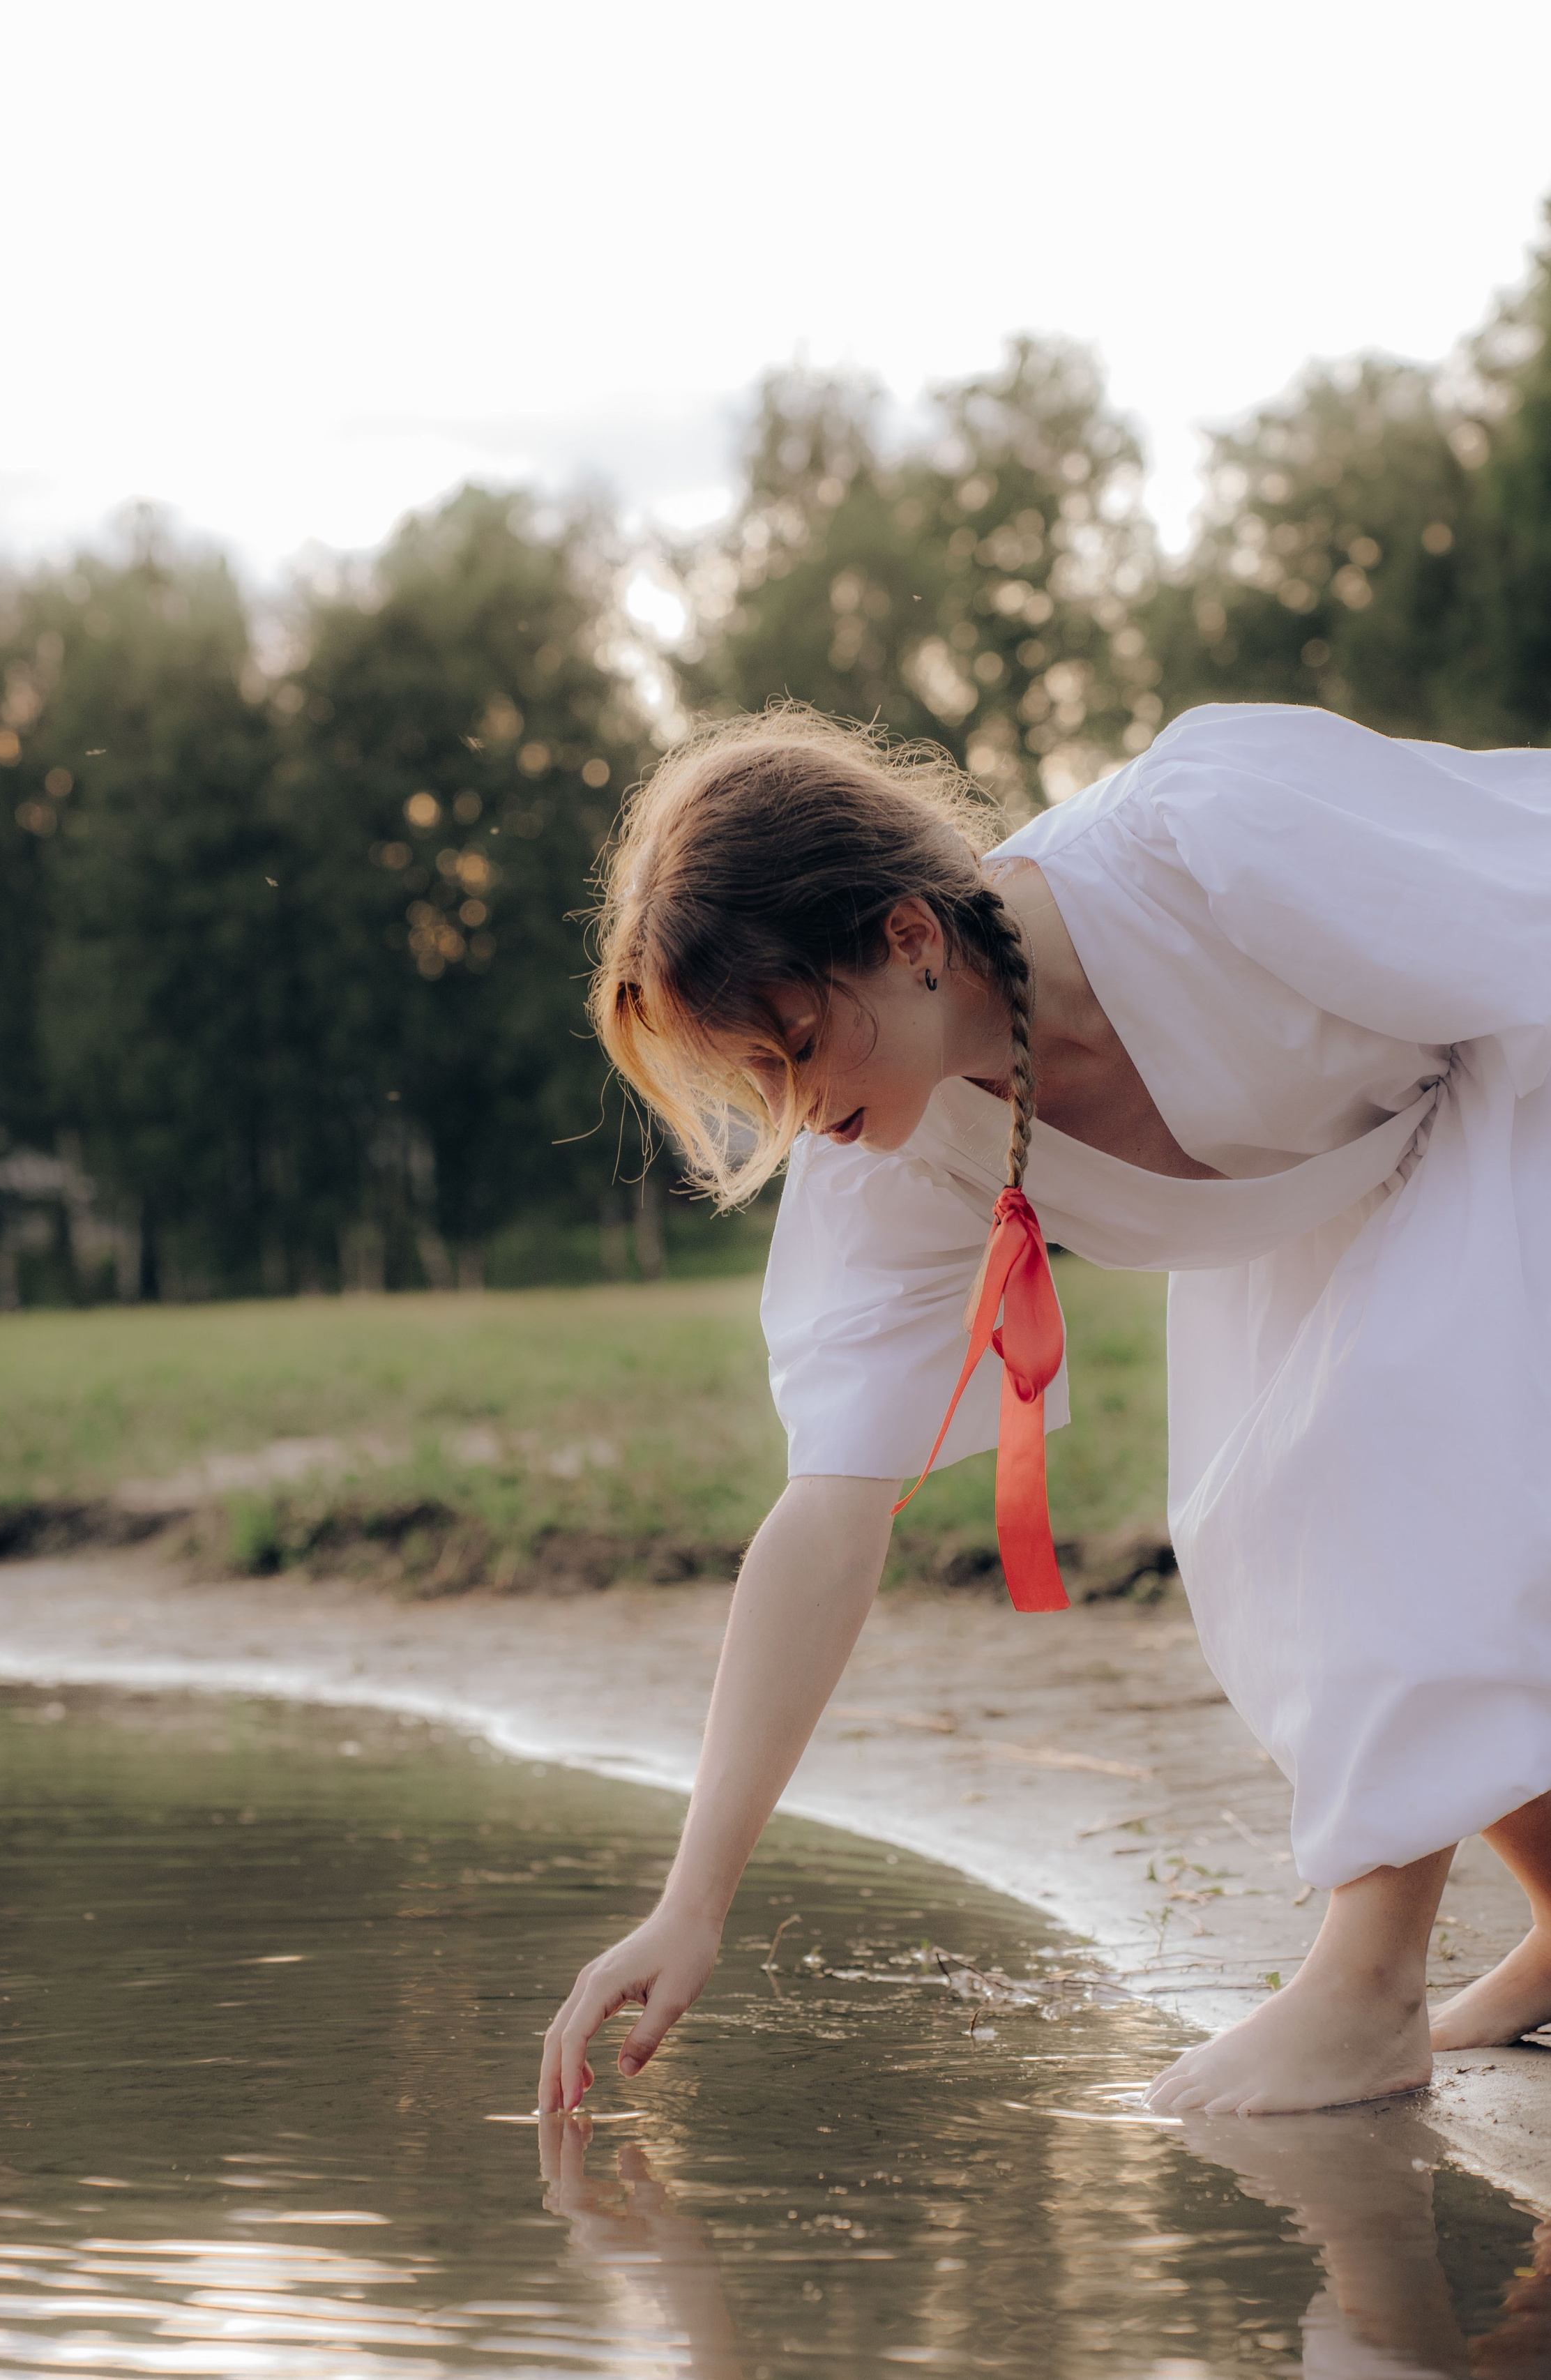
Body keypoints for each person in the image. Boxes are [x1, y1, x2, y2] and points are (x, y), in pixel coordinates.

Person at [536, 700, 1551, 2121]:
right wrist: (688, 1906)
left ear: (904, 937)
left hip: (1515, 1068)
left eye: (794, 1047)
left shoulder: (1210, 834)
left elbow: (1523, 914)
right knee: (1262, 1531)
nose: (785, 1110)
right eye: (749, 1082)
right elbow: (826, 1513)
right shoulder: (883, 1154)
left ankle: (1363, 1986)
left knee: (1368, 1455)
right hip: (1335, 1208)